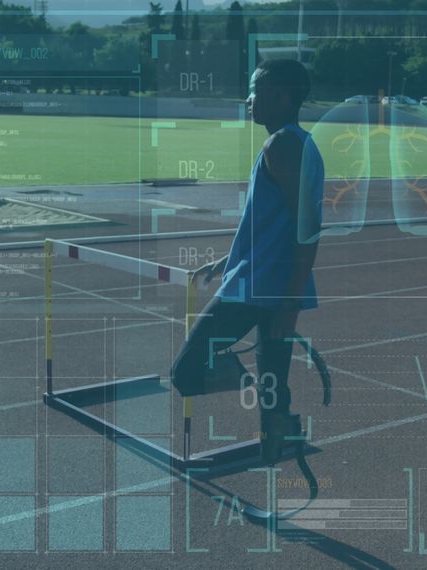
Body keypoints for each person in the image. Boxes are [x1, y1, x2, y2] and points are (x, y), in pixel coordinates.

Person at [171, 59, 323, 463]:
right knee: (273, 382)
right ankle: (280, 441)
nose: (249, 98)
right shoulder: (295, 143)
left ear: (280, 96)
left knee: (186, 372)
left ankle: (276, 423)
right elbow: (274, 224)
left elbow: (308, 228)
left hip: (261, 287)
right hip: (263, 280)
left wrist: (290, 296)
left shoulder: (283, 145)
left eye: (255, 89)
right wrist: (226, 260)